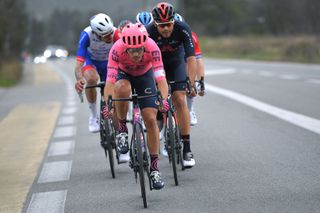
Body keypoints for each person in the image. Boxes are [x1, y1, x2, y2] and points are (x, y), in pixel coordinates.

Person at [103, 23, 169, 189]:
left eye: (139, 49)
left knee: (151, 119)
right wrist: (108, 104)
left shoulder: (152, 46)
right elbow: (110, 82)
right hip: (123, 74)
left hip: (144, 75)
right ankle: (122, 130)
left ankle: (154, 169)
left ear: (144, 45)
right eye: (132, 50)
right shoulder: (116, 49)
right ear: (125, 47)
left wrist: (164, 99)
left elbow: (161, 78)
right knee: (121, 88)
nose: (136, 54)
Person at [147, 2, 197, 167]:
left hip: (176, 64)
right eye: (162, 26)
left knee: (179, 99)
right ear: (155, 23)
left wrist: (191, 81)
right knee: (158, 103)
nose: (166, 28)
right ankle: (161, 121)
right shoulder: (148, 32)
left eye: (169, 24)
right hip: (156, 66)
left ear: (173, 21)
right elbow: (143, 61)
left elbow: (191, 58)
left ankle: (187, 149)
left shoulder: (182, 28)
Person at [74, 13, 120, 133]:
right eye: (105, 35)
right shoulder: (86, 35)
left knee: (112, 93)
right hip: (91, 61)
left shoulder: (116, 33)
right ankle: (94, 116)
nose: (110, 36)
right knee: (91, 79)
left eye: (110, 32)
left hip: (109, 63)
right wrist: (79, 79)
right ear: (96, 33)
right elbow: (78, 64)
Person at [174, 13, 205, 126]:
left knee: (189, 81)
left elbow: (198, 61)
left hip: (185, 61)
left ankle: (190, 109)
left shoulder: (190, 36)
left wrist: (200, 82)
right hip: (170, 60)